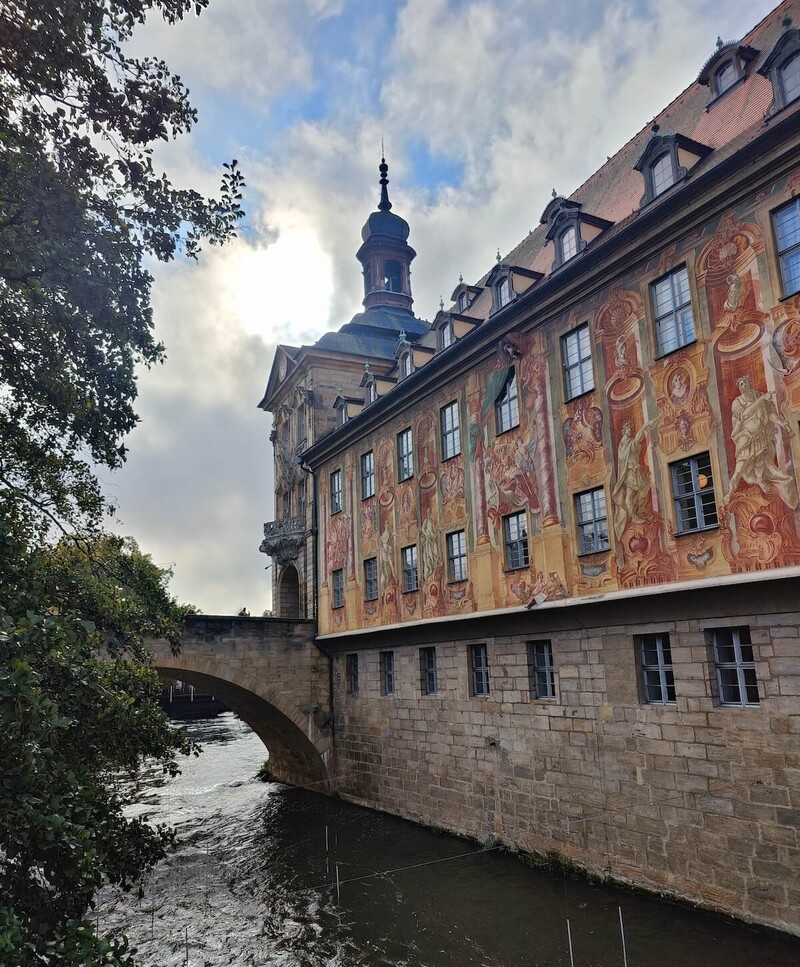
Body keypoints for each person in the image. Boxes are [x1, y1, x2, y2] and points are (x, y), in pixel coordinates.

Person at [725, 376, 797, 508]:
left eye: (744, 383)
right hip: (746, 439)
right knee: (739, 470)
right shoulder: (737, 402)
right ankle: (729, 493)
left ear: (749, 383)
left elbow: (770, 414)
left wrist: (782, 423)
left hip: (762, 438)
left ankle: (763, 481)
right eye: (740, 384)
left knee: (764, 464)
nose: (741, 387)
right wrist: (761, 400)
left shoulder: (759, 395)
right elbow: (744, 415)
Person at [611, 418, 658, 539]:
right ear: (624, 430)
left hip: (634, 472)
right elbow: (638, 438)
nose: (631, 430)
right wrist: (646, 425)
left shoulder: (625, 443)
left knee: (639, 492)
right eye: (628, 428)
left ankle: (635, 513)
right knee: (630, 497)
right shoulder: (625, 444)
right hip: (630, 474)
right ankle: (633, 516)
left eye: (631, 428)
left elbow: (637, 439)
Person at [420, 507, 441, 578]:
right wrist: (427, 533)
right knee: (428, 556)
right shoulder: (425, 521)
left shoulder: (431, 521)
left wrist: (435, 532)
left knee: (435, 553)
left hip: (432, 539)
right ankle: (430, 570)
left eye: (429, 512)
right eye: (427, 513)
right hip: (428, 540)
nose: (428, 514)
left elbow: (434, 529)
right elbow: (423, 529)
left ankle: (434, 567)